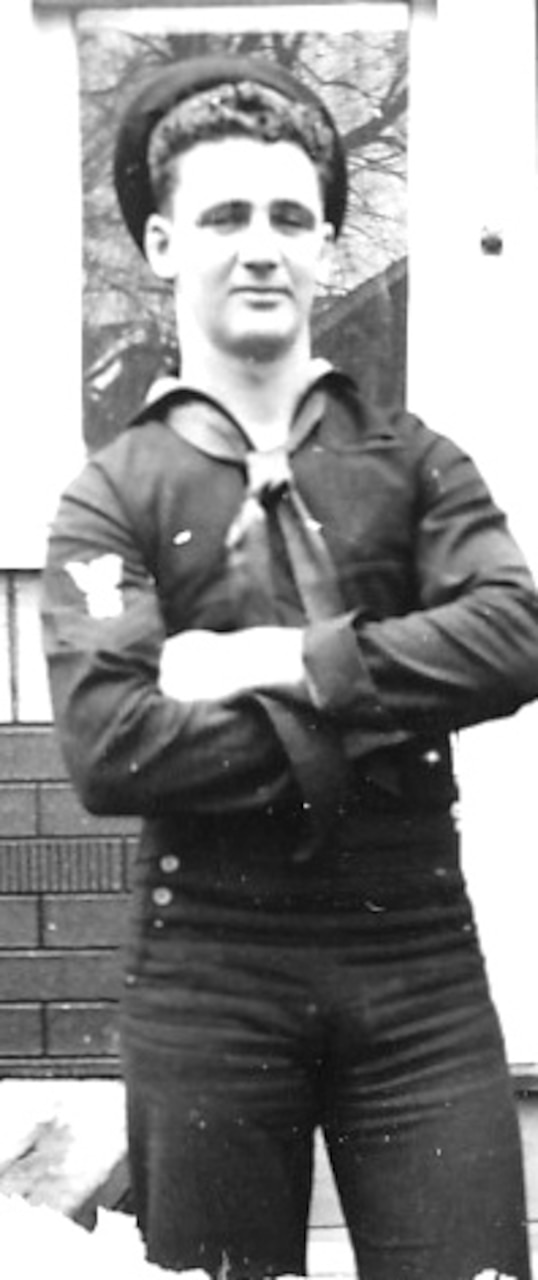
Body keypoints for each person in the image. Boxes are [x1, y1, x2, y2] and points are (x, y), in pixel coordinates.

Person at [41, 54, 538, 1280]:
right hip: (209, 965)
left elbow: (517, 632)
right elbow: (116, 745)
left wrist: (284, 660)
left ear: (322, 243)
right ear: (161, 243)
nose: (258, 246)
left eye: (286, 218)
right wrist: (389, 688)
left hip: (414, 958)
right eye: (222, 217)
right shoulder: (113, 495)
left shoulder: (414, 463)